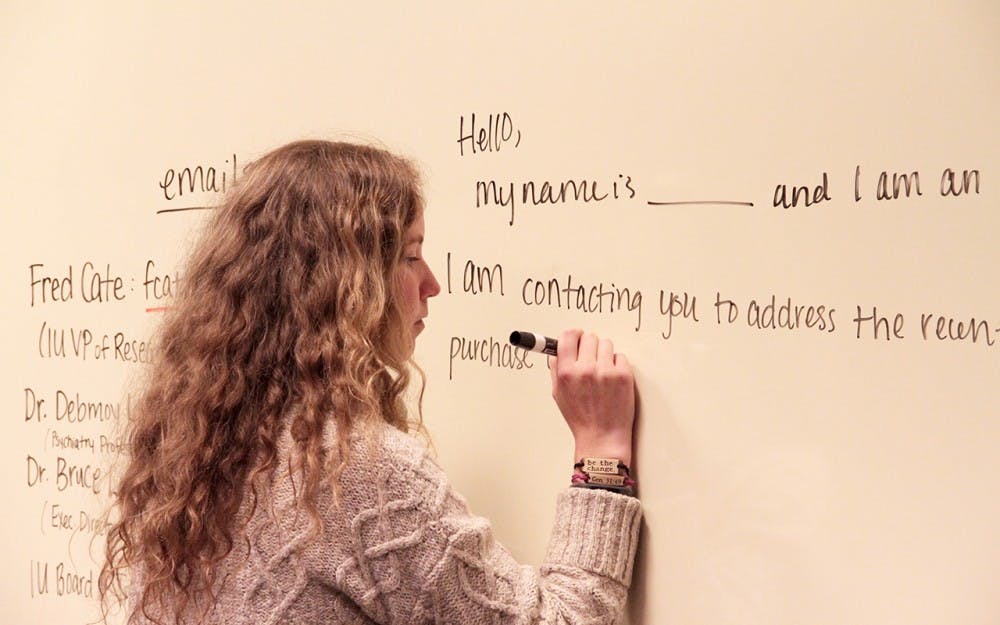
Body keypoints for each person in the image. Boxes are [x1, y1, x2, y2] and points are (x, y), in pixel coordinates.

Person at [100, 140, 641, 624]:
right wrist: (601, 449)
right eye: (409, 257)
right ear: (344, 288)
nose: (432, 283)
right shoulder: (356, 473)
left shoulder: (202, 449)